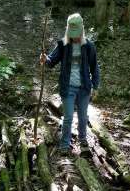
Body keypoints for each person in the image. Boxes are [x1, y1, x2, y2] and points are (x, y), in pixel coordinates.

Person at [40, 12, 100, 154]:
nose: (75, 36)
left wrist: (95, 86)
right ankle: (65, 144)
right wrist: (44, 59)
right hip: (68, 87)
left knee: (83, 117)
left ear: (82, 30)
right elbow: (51, 61)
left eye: (77, 33)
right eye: (72, 33)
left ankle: (83, 141)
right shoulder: (62, 45)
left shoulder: (89, 46)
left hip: (84, 88)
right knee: (68, 117)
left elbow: (94, 67)